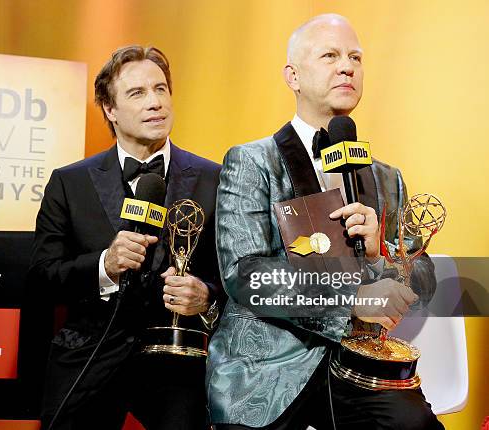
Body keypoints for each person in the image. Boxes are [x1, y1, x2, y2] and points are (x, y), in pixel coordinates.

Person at [206, 14, 444, 430]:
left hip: (361, 363)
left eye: (355, 57)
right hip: (267, 367)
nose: (347, 66)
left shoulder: (387, 177)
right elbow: (245, 275)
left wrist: (381, 253)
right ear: (293, 76)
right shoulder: (252, 161)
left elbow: (423, 278)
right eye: (330, 55)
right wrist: (354, 297)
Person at [30, 45, 222, 430]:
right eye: (137, 93)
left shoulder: (215, 179)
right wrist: (105, 265)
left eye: (161, 89)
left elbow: (240, 276)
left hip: (178, 360)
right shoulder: (70, 183)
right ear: (110, 110)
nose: (155, 103)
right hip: (91, 352)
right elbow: (42, 278)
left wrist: (206, 297)